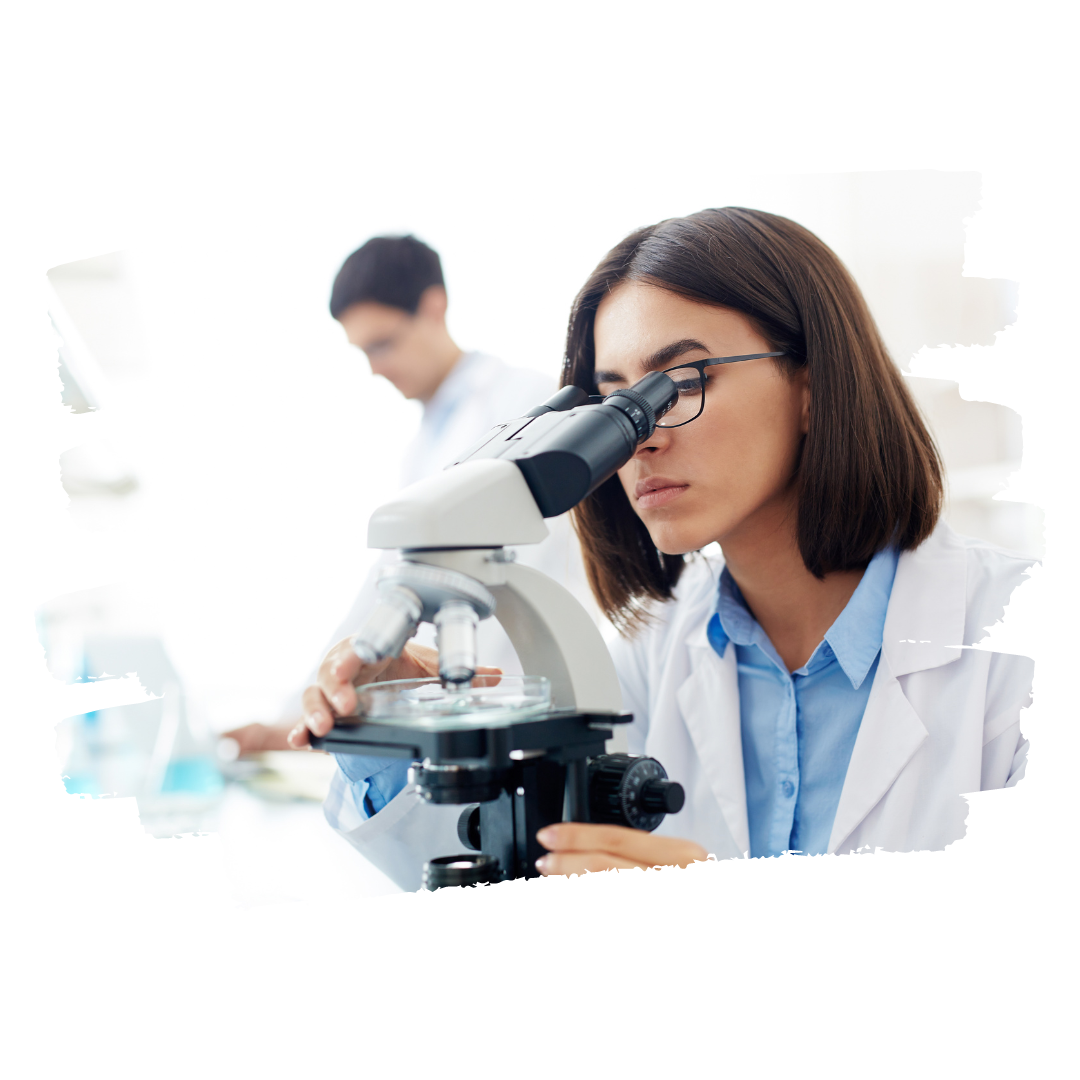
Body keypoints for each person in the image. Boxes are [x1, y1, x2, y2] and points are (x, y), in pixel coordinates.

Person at [292, 208, 1033, 887]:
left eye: (680, 381)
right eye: (615, 402)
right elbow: (506, 853)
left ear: (810, 385)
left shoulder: (1003, 650)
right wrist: (378, 730)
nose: (640, 438)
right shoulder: (654, 655)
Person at [222, 235, 594, 758]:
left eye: (383, 343)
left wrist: (428, 702)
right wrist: (296, 716)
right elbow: (385, 589)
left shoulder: (523, 405)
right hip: (475, 713)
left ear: (434, 307)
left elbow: (501, 578)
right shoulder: (425, 443)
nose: (374, 367)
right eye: (363, 351)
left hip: (529, 698)